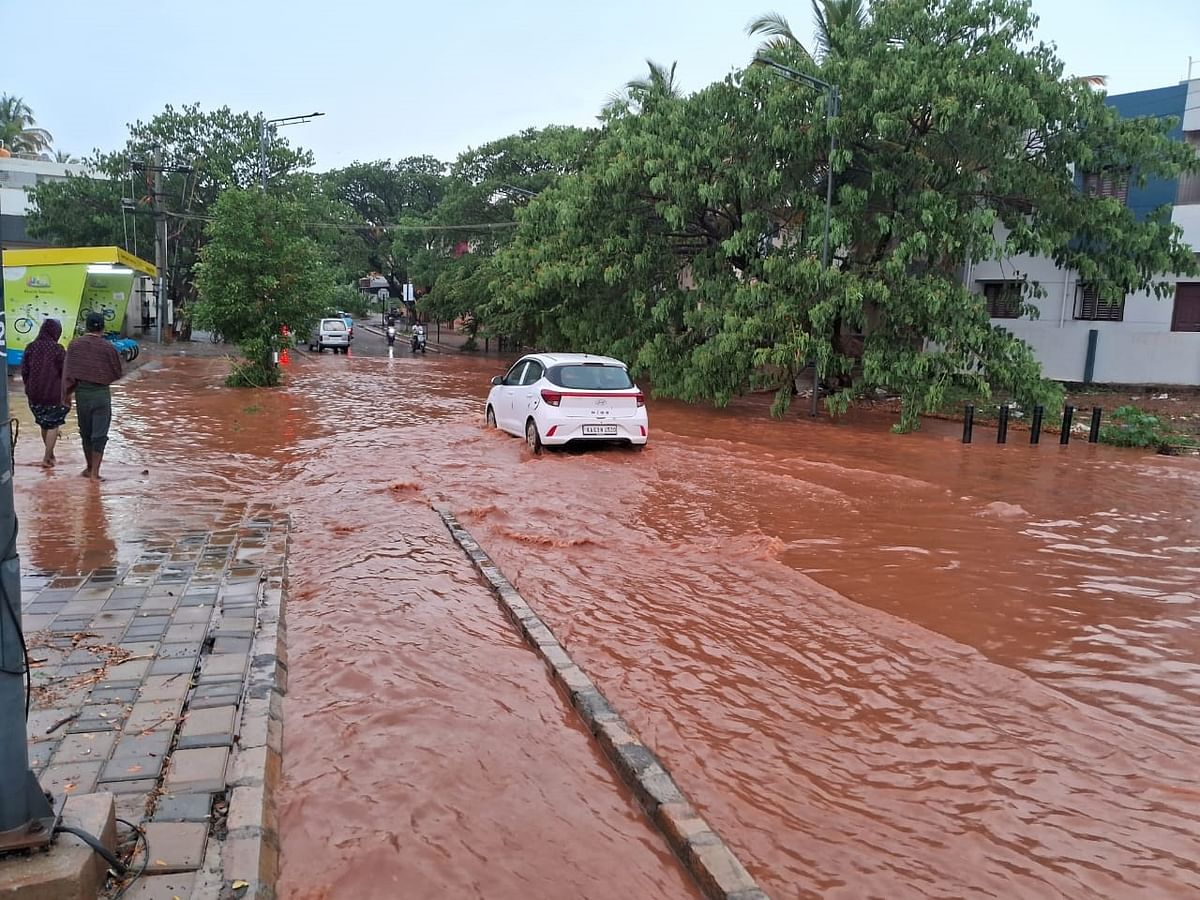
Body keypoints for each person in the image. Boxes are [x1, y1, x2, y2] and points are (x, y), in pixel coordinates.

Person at [63, 312, 123, 480]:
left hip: (81, 394)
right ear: (103, 328)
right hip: (101, 394)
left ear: (86, 327)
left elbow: (69, 373)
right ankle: (95, 473)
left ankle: (89, 468)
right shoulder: (108, 347)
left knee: (86, 433)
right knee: (100, 435)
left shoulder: (74, 345)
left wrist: (67, 395)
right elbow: (117, 372)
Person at [20, 319, 69, 467]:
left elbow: (24, 371)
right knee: (53, 425)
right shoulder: (58, 349)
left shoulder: (30, 347)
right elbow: (65, 373)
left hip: (34, 395)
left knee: (43, 423)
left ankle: (50, 454)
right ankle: (47, 458)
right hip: (53, 395)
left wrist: (29, 387)